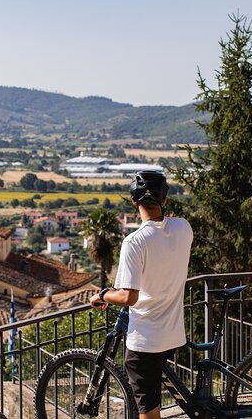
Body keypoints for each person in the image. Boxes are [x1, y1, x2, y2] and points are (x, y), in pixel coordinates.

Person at [89, 171, 193, 419]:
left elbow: (128, 297)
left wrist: (103, 295)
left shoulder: (134, 242)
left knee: (148, 411)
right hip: (173, 333)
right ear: (164, 200)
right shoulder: (183, 228)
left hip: (145, 341)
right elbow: (171, 224)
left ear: (134, 201)